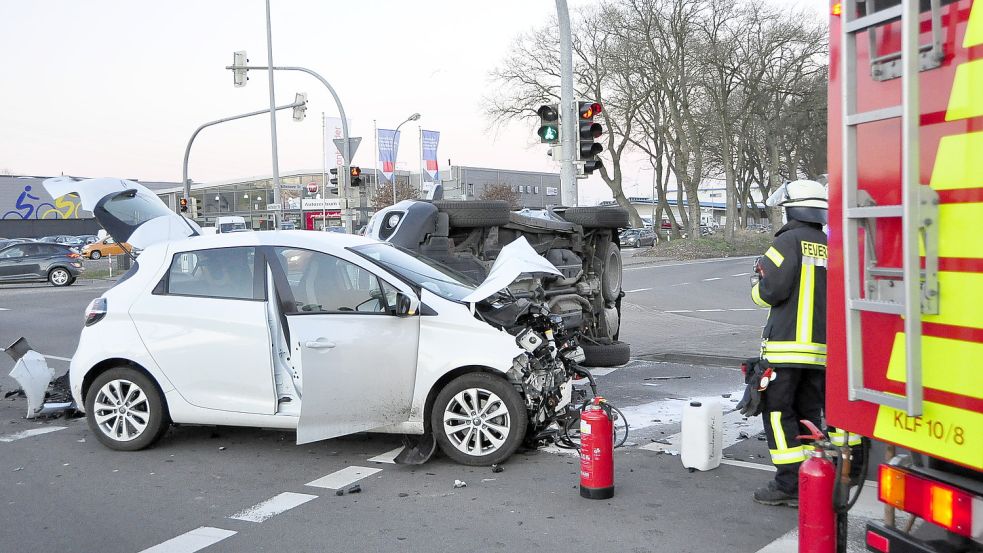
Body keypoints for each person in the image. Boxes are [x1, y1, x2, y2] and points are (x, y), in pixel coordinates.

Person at [749, 179, 832, 507]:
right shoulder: (828, 244)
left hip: (785, 350)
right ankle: (812, 476)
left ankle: (787, 484)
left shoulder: (785, 243)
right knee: (809, 413)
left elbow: (770, 291)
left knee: (777, 413)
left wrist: (754, 287)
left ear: (792, 210)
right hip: (821, 353)